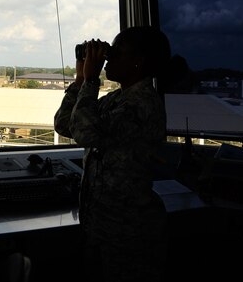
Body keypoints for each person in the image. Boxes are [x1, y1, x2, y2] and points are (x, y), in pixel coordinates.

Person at [54, 26, 174, 282]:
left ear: (138, 63)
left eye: (117, 52)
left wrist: (91, 80)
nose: (108, 57)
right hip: (100, 227)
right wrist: (79, 82)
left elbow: (87, 133)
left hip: (129, 234)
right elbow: (65, 124)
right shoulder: (115, 100)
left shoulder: (143, 104)